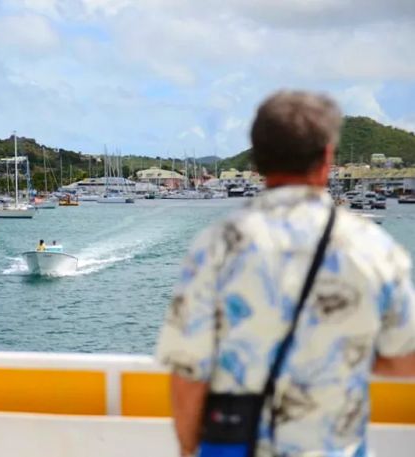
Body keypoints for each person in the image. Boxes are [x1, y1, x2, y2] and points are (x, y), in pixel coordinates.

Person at [156, 91, 415, 456]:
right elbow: (407, 358)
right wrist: (340, 345)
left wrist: (187, 449)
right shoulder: (374, 248)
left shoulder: (217, 246)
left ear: (258, 161)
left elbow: (187, 373)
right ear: (327, 157)